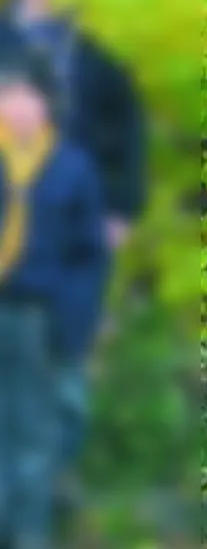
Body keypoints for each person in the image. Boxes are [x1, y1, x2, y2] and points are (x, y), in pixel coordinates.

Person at [0, 47, 110, 549]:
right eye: (8, 96)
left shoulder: (70, 168)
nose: (17, 107)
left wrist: (75, 320)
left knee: (37, 429)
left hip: (39, 314)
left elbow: (89, 255)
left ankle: (28, 530)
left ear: (45, 103)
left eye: (27, 96)